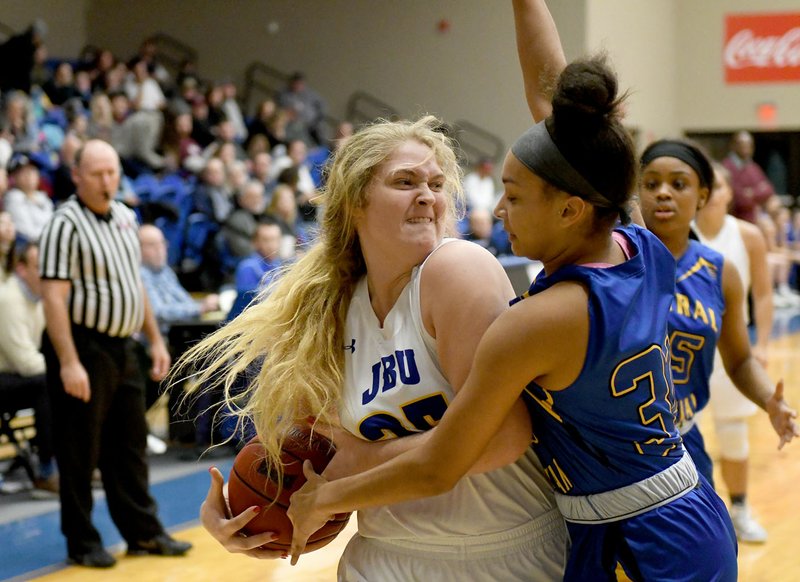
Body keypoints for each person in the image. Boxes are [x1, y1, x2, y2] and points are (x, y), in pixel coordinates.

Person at [285, 3, 750, 580]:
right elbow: (556, 104)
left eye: (514, 195)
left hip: (643, 531)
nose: (499, 209)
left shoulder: (537, 321)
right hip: (655, 506)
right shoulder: (636, 241)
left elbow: (438, 466)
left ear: (569, 208)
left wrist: (324, 499)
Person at [177, 117, 568, 580]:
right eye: (405, 181)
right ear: (355, 201)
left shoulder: (458, 269)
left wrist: (364, 463)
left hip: (502, 550)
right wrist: (244, 514)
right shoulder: (324, 309)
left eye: (437, 184)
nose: (427, 195)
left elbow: (502, 437)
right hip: (382, 554)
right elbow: (314, 459)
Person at [38, 140, 192, 569]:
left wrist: (155, 341)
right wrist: (69, 361)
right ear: (78, 176)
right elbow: (53, 298)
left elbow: (134, 284)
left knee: (130, 444)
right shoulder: (63, 224)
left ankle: (144, 532)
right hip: (82, 345)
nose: (108, 181)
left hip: (123, 345)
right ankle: (81, 541)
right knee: (79, 450)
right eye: (98, 174)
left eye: (113, 172)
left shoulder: (126, 217)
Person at [639, 139, 797, 491]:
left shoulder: (718, 271)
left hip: (684, 435)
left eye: (678, 184)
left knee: (715, 543)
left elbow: (739, 359)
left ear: (702, 195)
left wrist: (768, 399)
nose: (663, 193)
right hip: (622, 450)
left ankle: (740, 506)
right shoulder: (619, 259)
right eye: (651, 184)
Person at [694, 162, 773, 542]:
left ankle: (739, 508)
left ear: (727, 194)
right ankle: (695, 519)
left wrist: (762, 345)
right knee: (680, 437)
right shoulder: (678, 234)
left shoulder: (748, 235)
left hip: (731, 350)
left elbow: (763, 293)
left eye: (720, 184)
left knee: (733, 434)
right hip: (686, 353)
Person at [0, 242, 58, 497]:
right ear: (22, 269)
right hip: (5, 377)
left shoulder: (39, 297)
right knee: (48, 384)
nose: (46, 273)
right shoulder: (8, 298)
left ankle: (80, 463)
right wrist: (67, 368)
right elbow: (25, 363)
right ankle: (47, 471)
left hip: (17, 376)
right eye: (39, 267)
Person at [722, 131, 779, 225]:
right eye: (743, 144)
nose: (747, 148)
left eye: (749, 145)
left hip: (754, 218)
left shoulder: (753, 167)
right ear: (733, 146)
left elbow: (769, 189)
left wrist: (752, 193)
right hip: (735, 220)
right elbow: (740, 200)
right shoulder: (727, 168)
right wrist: (758, 192)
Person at [4, 154, 53, 242]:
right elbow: (27, 233)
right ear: (14, 177)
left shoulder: (44, 198)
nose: (29, 175)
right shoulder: (13, 198)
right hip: (26, 249)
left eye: (32, 170)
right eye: (23, 172)